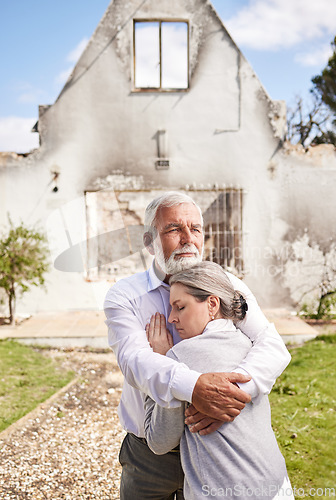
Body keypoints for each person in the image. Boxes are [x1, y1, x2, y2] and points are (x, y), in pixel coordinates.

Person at [104, 191, 291, 499]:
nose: (188, 238)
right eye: (174, 229)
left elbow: (271, 345)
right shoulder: (124, 296)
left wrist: (229, 394)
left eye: (196, 228)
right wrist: (196, 388)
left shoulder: (226, 285)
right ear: (149, 242)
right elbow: (135, 361)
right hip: (152, 456)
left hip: (222, 443)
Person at [144, 261, 294, 500]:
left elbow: (159, 441)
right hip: (277, 485)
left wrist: (160, 360)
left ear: (212, 304)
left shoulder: (179, 358)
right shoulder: (250, 346)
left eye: (180, 307)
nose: (171, 318)